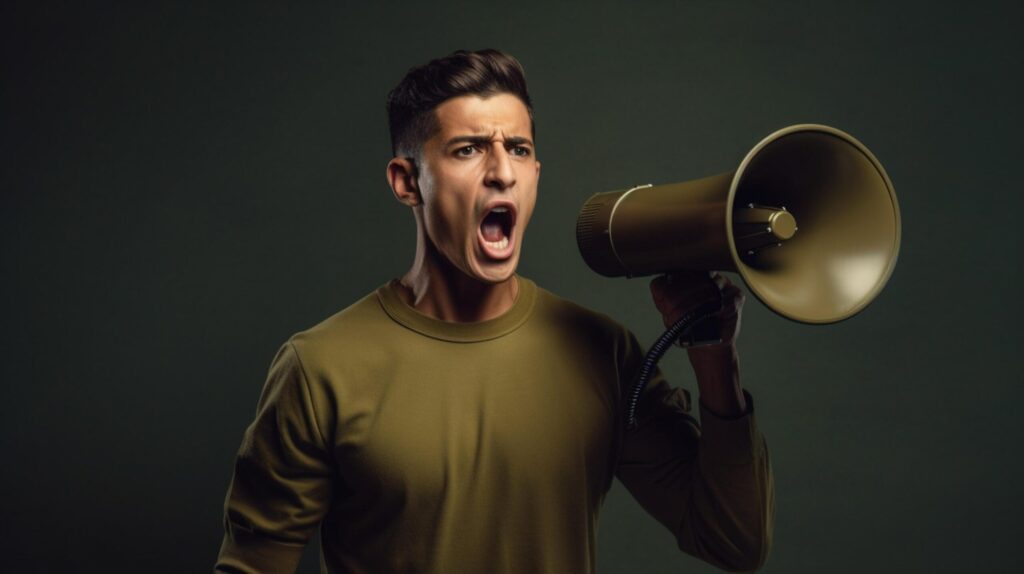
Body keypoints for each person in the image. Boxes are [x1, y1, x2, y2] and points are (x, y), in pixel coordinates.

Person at [215, 49, 773, 574]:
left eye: (520, 150)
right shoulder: (320, 368)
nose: (502, 171)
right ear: (407, 181)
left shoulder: (603, 354)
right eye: (468, 149)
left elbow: (733, 540)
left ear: (534, 176)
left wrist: (713, 355)